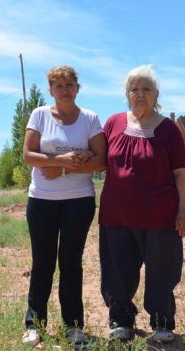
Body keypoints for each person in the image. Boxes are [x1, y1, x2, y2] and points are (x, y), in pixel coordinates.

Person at [99, 65, 185, 344]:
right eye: (134, 89)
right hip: (116, 215)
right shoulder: (113, 123)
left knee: (162, 271)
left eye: (146, 89)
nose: (140, 94)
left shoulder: (168, 129)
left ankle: (162, 322)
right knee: (117, 270)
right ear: (127, 94)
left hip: (160, 216)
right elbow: (98, 159)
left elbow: (181, 173)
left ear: (156, 95)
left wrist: (184, 210)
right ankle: (120, 319)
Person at [21, 65, 107, 347]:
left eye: (69, 85)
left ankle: (73, 326)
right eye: (58, 86)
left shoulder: (89, 119)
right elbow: (28, 156)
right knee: (42, 263)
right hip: (42, 200)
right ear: (50, 90)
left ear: (77, 88)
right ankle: (34, 325)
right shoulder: (39, 115)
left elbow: (101, 160)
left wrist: (65, 170)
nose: (64, 90)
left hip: (78, 201)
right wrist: (62, 160)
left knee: (70, 263)